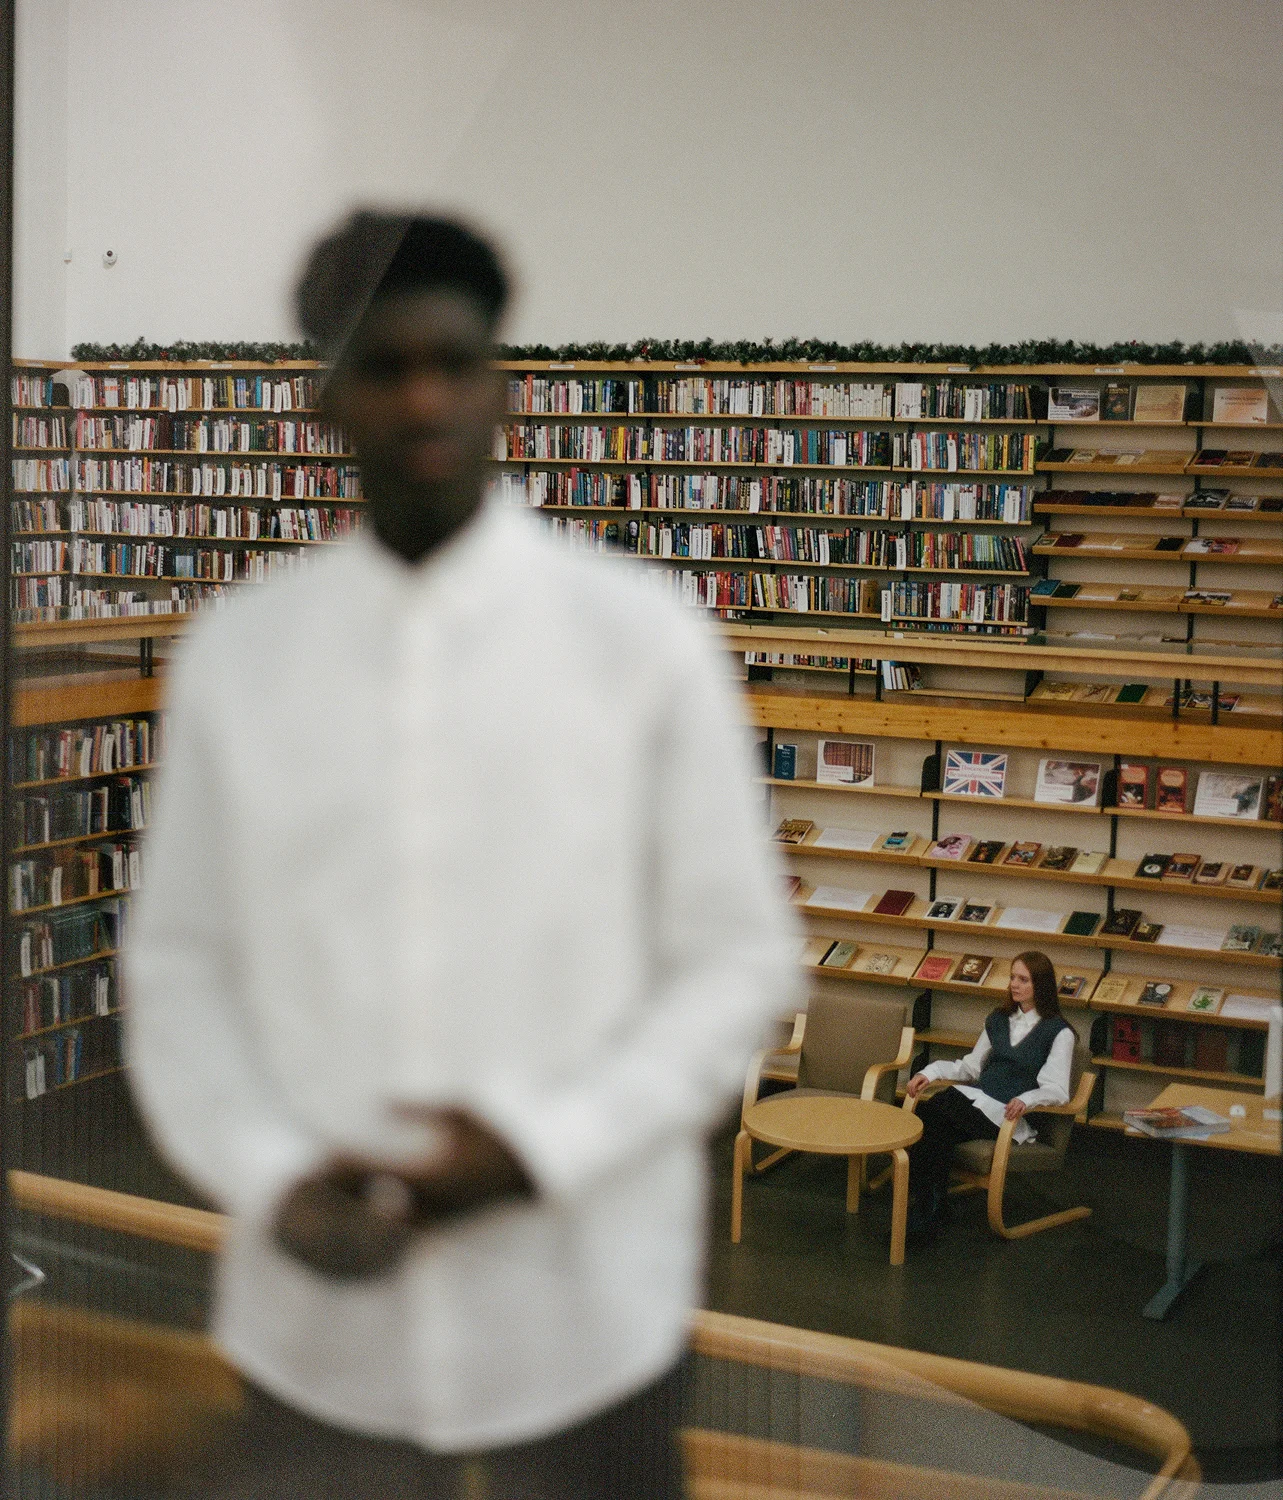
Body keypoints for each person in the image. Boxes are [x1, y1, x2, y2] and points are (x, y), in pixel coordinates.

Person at [125, 212, 799, 1499]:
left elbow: (732, 961)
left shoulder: (642, 639)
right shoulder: (237, 655)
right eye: (382, 367)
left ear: (503, 386)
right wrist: (269, 1176)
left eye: (452, 360)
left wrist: (538, 1148)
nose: (422, 397)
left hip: (585, 1313)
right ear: (327, 400)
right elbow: (181, 967)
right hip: (317, 1335)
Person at [902, 951, 1075, 1241]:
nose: (1014, 985)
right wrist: (929, 1073)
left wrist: (1027, 1100)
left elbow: (1057, 1089)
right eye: (1012, 977)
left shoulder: (1059, 1032)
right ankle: (930, 1210)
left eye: (1023, 980)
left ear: (1040, 986)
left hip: (1007, 1113)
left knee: (933, 1118)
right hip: (977, 1100)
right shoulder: (998, 1019)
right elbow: (970, 1066)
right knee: (933, 1123)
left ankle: (929, 1211)